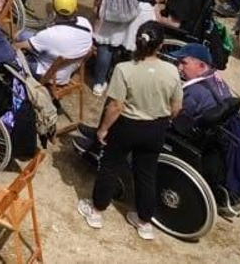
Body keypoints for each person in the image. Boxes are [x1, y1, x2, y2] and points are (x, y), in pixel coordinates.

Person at [78, 23, 182, 241]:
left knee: (110, 167)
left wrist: (103, 129)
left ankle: (97, 211)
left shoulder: (124, 69)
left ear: (137, 41)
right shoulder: (172, 71)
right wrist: (163, 118)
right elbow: (176, 108)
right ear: (161, 45)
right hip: (156, 127)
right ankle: (144, 222)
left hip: (127, 126)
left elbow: (115, 106)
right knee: (146, 174)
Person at [172, 42, 233, 123]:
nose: (179, 68)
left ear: (201, 66)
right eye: (178, 62)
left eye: (184, 63)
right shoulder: (217, 79)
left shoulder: (193, 92)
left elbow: (177, 118)